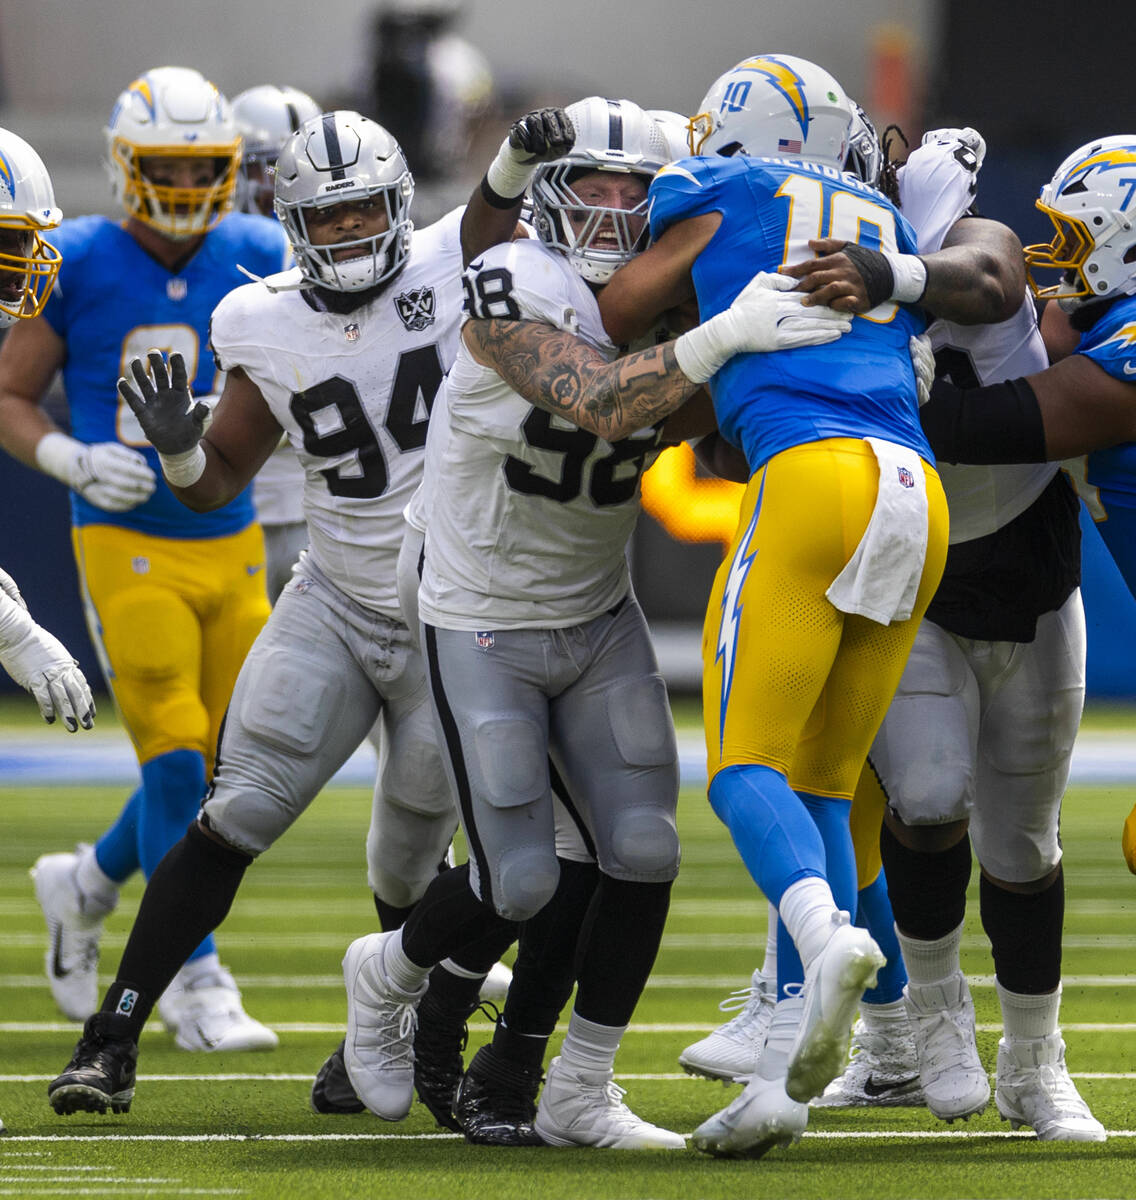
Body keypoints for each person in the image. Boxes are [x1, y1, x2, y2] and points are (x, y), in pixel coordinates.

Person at [332, 92, 851, 1152]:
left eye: (634, 191)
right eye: (592, 187)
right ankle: (383, 974)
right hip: (479, 608)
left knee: (643, 851)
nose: (614, 211)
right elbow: (608, 401)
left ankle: (578, 1086)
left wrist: (822, 379)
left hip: (594, 604)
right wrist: (725, 336)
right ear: (550, 199)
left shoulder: (671, 297)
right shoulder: (515, 278)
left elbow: (708, 435)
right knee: (521, 877)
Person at [42, 107, 573, 1120]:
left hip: (454, 621)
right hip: (335, 602)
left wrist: (516, 150)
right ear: (291, 224)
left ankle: (409, 1030)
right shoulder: (260, 319)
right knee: (232, 812)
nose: (343, 232)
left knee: (473, 858)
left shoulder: (443, 262)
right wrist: (179, 448)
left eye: (361, 210)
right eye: (323, 219)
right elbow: (221, 477)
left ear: (397, 205)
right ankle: (109, 1041)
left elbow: (494, 209)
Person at [596, 54, 951, 1158]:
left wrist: (703, 321)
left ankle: (817, 936)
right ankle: (787, 1071)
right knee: (826, 785)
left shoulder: (721, 192)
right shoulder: (876, 210)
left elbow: (618, 304)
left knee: (741, 766)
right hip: (914, 490)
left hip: (811, 476)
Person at [0, 66, 290, 1052]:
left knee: (228, 769)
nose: (177, 183)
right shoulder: (76, 255)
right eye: (159, 164)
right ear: (125, 166)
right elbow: (11, 394)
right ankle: (193, 978)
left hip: (232, 530)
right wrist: (67, 454)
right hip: (125, 542)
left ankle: (84, 884)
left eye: (197, 165)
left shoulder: (258, 248)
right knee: (172, 758)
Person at [915, 137, 1136, 885]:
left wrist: (888, 378)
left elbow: (974, 428)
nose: (1055, 252)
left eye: (1076, 236)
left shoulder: (1127, 356)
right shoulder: (1104, 322)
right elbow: (1043, 328)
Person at [230, 84, 322, 603]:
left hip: (320, 498)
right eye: (265, 171)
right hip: (229, 504)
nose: (282, 186)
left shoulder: (342, 253)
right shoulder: (205, 254)